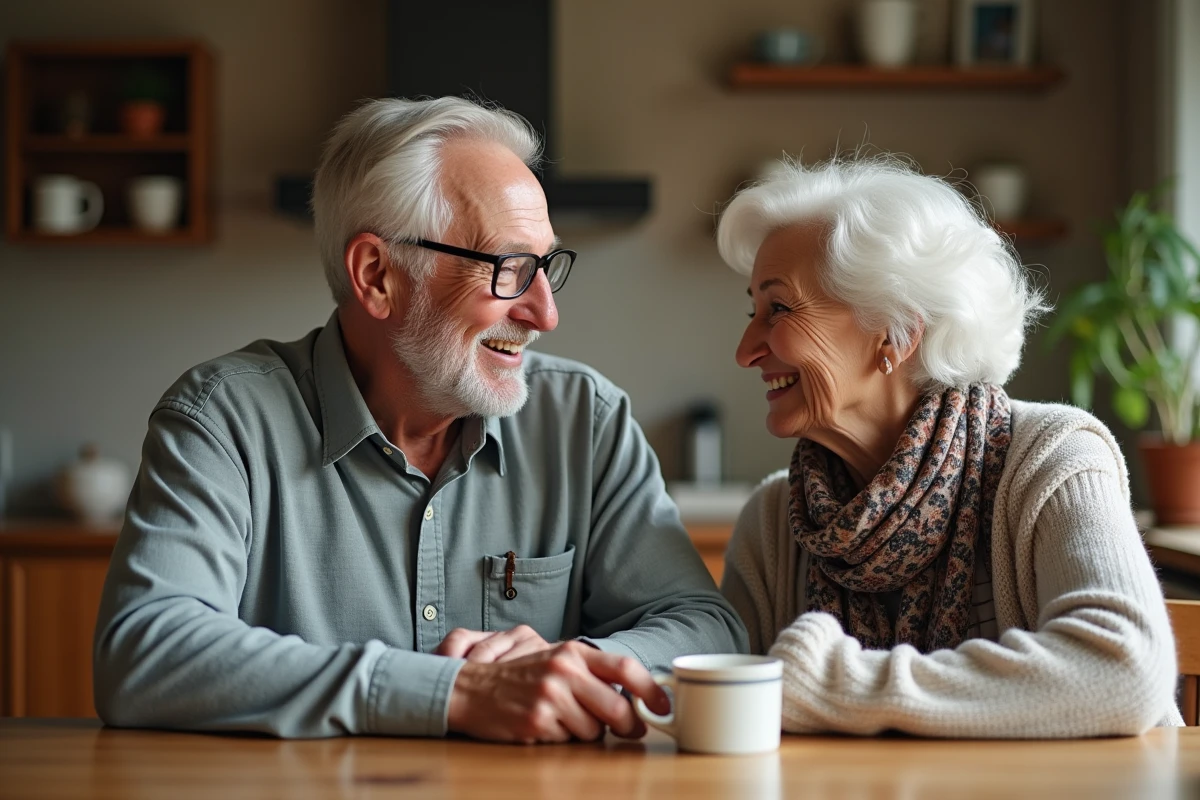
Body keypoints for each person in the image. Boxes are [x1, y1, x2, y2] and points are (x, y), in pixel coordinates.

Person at [93, 97, 747, 742]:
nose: (545, 315)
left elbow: (706, 626)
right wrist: (449, 693)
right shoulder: (224, 419)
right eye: (509, 269)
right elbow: (143, 651)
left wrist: (575, 667)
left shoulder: (585, 421)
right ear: (377, 275)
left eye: (544, 267)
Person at [716, 156, 1182, 738]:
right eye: (752, 311)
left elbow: (1123, 673)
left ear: (898, 332)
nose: (745, 350)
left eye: (779, 308)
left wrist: (833, 682)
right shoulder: (776, 524)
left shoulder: (1054, 460)